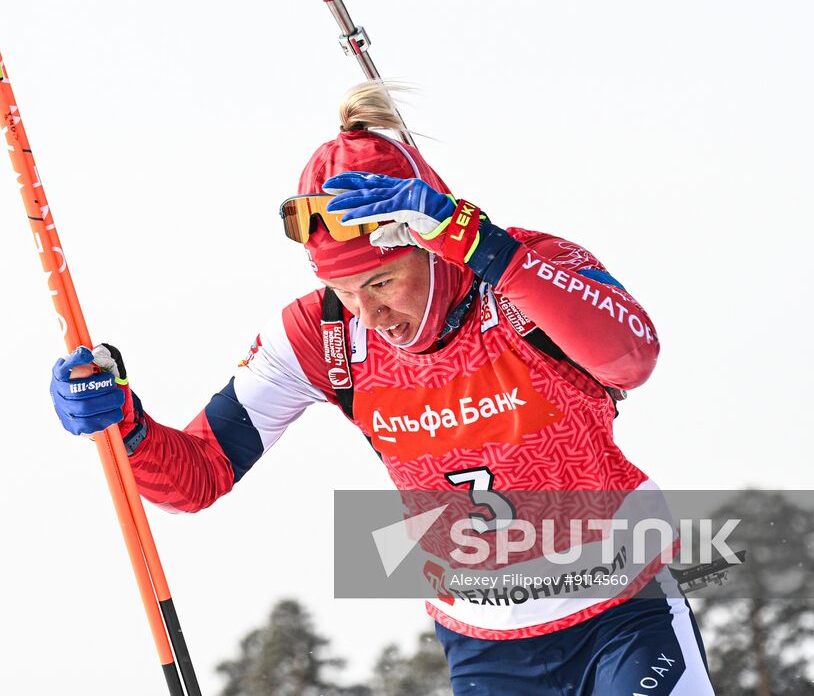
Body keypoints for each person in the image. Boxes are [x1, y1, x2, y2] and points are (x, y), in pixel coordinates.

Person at [51, 82, 715, 694]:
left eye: (382, 282)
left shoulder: (516, 275)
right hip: (489, 648)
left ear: (432, 244)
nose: (371, 315)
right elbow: (196, 477)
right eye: (344, 289)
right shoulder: (323, 336)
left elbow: (632, 358)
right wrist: (125, 426)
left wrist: (487, 248)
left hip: (625, 613)